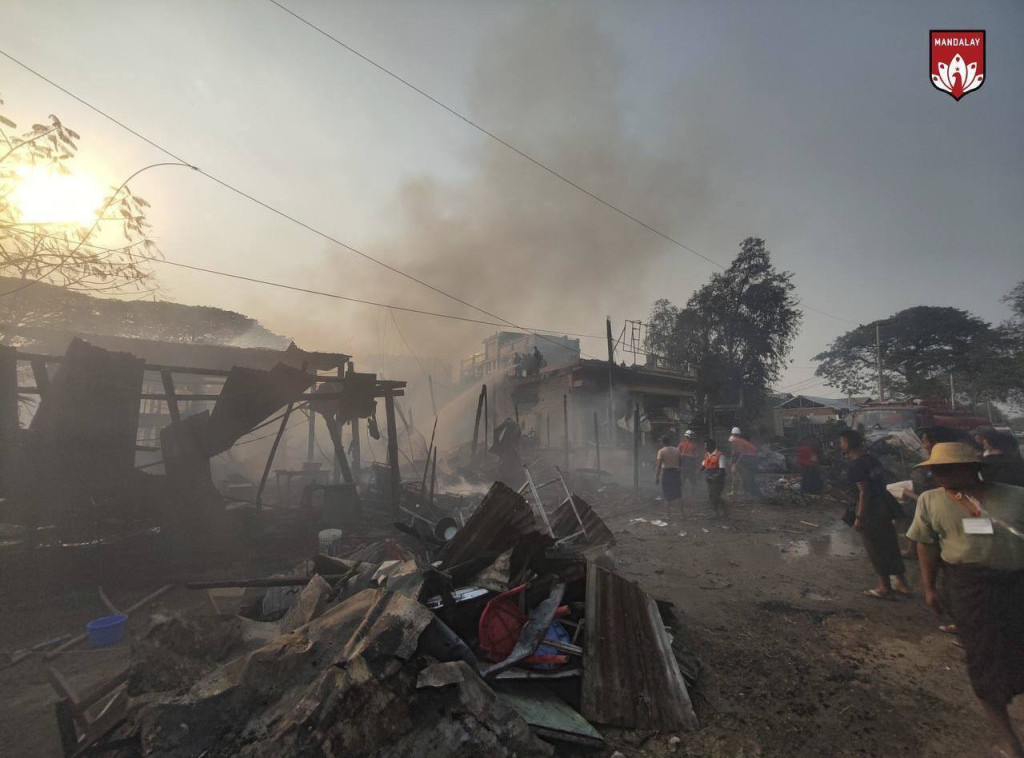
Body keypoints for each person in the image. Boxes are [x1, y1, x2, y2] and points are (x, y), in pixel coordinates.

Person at [907, 442, 1024, 758]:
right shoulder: (930, 501)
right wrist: (929, 587)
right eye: (934, 469)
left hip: (1016, 586)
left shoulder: (1015, 496)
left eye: (945, 468)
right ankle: (1007, 738)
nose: (937, 474)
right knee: (982, 660)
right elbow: (926, 545)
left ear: (973, 468)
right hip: (968, 588)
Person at [839, 429, 911, 599]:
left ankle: (884, 587)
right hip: (884, 505)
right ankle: (902, 583)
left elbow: (863, 492)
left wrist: (859, 516)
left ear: (848, 443)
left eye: (842, 442)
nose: (840, 445)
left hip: (870, 509)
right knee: (890, 544)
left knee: (875, 548)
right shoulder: (871, 459)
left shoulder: (856, 464)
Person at [655, 435, 683, 515]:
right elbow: (680, 462)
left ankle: (667, 515)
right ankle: (682, 514)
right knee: (678, 494)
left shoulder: (661, 451)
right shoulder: (676, 450)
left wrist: (656, 477)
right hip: (676, 473)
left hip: (666, 473)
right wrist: (678, 469)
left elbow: (659, 465)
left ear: (662, 442)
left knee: (666, 494)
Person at [730, 427, 761, 497]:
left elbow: (740, 453)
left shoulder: (735, 440)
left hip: (749, 458)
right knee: (748, 477)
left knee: (747, 477)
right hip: (753, 458)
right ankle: (745, 492)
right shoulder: (743, 441)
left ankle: (755, 494)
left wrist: (736, 462)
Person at [701, 438, 729, 518]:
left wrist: (713, 478)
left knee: (715, 496)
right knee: (712, 496)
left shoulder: (720, 455)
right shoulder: (707, 454)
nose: (704, 447)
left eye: (705, 445)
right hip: (710, 479)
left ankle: (721, 512)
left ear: (711, 446)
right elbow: (703, 465)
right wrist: (697, 473)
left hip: (718, 480)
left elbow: (722, 471)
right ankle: (719, 512)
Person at [677, 429, 699, 497]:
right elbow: (696, 457)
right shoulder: (694, 446)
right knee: (692, 482)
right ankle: (693, 495)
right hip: (690, 467)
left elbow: (677, 454)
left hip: (683, 466)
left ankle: (681, 494)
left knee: (682, 481)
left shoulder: (680, 444)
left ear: (685, 437)